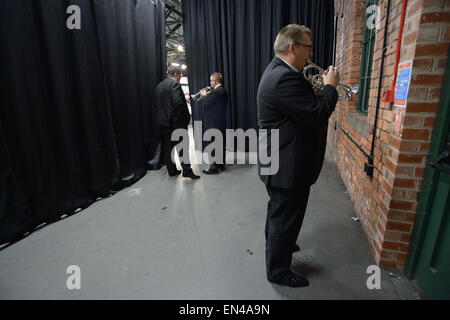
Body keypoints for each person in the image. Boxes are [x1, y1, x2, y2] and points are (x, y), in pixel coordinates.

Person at [257, 24, 339, 287]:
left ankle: (280, 245)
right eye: (308, 47)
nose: (311, 54)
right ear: (293, 47)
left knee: (279, 214)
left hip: (280, 161)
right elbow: (316, 114)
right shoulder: (284, 77)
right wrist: (330, 87)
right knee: (285, 218)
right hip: (288, 165)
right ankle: (278, 272)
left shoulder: (278, 71)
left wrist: (316, 92)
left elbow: (300, 108)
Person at [155, 66, 200, 179]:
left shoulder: (159, 86)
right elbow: (178, 104)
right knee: (183, 147)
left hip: (163, 123)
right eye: (180, 74)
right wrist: (184, 119)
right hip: (176, 123)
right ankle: (187, 171)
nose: (180, 77)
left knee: (167, 147)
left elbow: (161, 104)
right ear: (175, 74)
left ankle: (172, 170)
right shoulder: (175, 84)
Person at [199, 72, 229, 175]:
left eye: (211, 80)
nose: (210, 82)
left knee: (214, 144)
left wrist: (204, 96)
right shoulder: (222, 91)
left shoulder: (217, 91)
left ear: (215, 81)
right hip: (220, 121)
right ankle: (220, 164)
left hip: (214, 123)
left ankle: (214, 167)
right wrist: (208, 95)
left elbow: (208, 104)